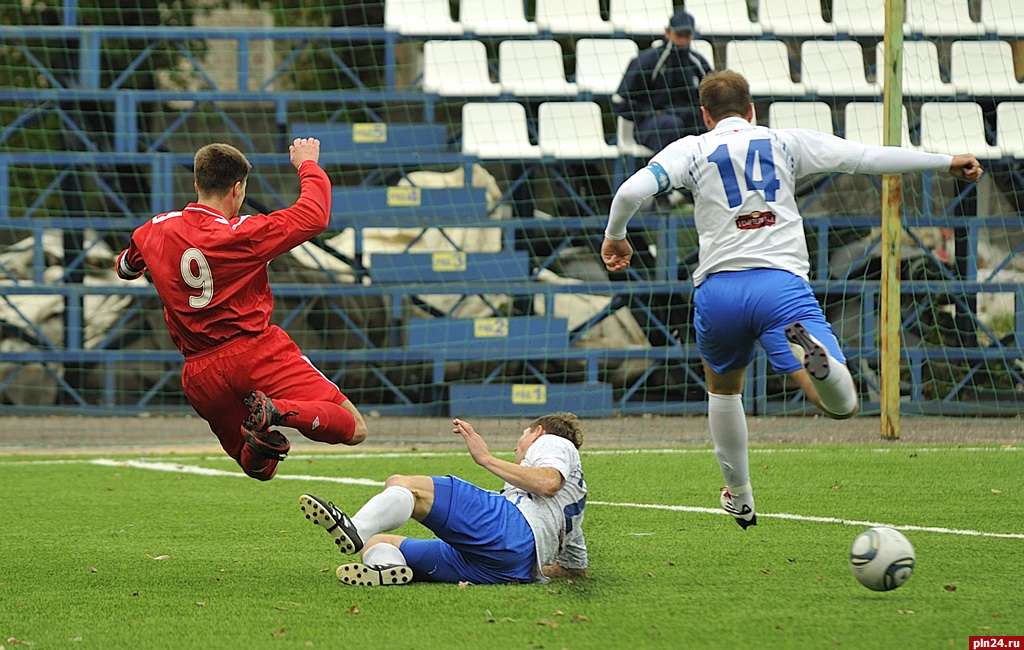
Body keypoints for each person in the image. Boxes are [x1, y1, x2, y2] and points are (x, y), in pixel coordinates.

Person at [601, 71, 983, 529]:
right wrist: (945, 161)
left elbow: (629, 192)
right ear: (752, 109)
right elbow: (866, 158)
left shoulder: (691, 149)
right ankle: (818, 358)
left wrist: (615, 238)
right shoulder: (785, 142)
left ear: (705, 115)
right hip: (780, 288)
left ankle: (740, 496)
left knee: (723, 392)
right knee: (842, 407)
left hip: (718, 291)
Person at [115, 139, 368, 481]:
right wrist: (307, 164)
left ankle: (266, 423)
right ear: (237, 189)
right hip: (254, 352)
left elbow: (126, 268)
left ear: (196, 184)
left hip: (199, 372)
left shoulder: (153, 229)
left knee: (258, 468)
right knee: (354, 427)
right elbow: (314, 215)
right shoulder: (242, 233)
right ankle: (279, 411)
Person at [297, 413, 588, 586]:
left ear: (538, 432)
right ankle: (384, 569)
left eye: (522, 436)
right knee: (379, 543)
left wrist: (485, 458)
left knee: (404, 485)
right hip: (511, 567)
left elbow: (548, 482)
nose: (517, 444)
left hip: (511, 529)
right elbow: (575, 568)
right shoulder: (575, 502)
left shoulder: (553, 441)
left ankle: (356, 528)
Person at [613, 9, 713, 153]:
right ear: (668, 32)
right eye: (679, 35)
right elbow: (619, 101)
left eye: (687, 35)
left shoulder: (698, 62)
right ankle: (670, 174)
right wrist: (650, 113)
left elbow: (713, 98)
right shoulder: (647, 61)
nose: (683, 40)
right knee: (670, 124)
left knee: (709, 125)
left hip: (688, 120)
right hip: (651, 124)